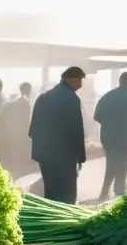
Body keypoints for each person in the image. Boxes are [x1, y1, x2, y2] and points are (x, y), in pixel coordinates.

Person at [29, 66, 87, 203]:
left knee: (50, 192)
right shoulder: (71, 99)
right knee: (66, 195)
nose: (81, 84)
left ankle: (49, 218)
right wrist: (81, 156)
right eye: (80, 80)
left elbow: (31, 131)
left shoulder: (43, 97)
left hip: (44, 156)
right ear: (72, 80)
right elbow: (76, 130)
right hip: (64, 157)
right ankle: (65, 222)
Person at [94, 72, 127, 199]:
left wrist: (109, 124)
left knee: (111, 162)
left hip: (109, 137)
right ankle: (118, 190)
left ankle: (105, 192)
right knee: (123, 163)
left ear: (119, 80)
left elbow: (97, 116)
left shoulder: (108, 96)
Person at [1, 82, 33, 174]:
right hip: (22, 132)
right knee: (22, 154)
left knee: (16, 153)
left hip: (15, 131)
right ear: (27, 90)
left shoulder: (16, 101)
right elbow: (26, 118)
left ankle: (15, 171)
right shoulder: (25, 102)